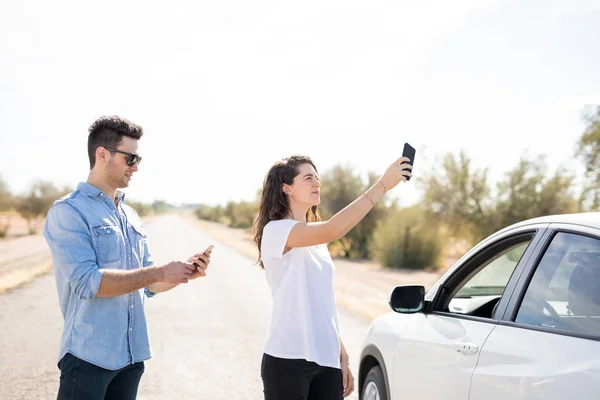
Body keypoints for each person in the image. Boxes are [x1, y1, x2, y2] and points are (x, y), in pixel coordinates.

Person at [44, 115, 212, 400]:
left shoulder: (129, 214)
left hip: (131, 359)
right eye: (130, 158)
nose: (136, 167)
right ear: (102, 154)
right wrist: (159, 272)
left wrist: (181, 273)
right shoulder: (68, 212)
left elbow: (148, 284)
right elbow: (88, 284)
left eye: (138, 159)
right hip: (88, 358)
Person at [252, 154, 412, 399]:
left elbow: (322, 303)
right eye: (308, 178)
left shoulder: (317, 242)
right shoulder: (276, 231)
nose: (317, 183)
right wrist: (383, 185)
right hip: (287, 360)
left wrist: (342, 354)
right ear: (287, 188)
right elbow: (334, 228)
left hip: (326, 360)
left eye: (317, 178)